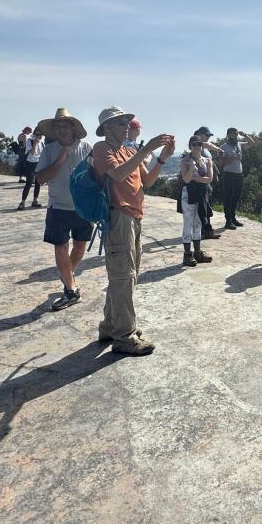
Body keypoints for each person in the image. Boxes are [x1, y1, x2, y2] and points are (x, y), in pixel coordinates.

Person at [93, 106, 174, 355]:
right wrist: (147, 149)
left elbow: (147, 181)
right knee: (123, 275)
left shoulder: (129, 150)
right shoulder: (101, 149)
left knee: (127, 273)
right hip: (118, 216)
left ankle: (110, 325)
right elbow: (117, 174)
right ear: (106, 127)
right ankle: (125, 337)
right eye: (120, 123)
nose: (127, 125)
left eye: (128, 122)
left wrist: (161, 158)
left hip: (134, 215)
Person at [33, 108, 93, 311]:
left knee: (79, 246)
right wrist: (60, 158)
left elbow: (96, 174)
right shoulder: (49, 150)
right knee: (61, 247)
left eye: (65, 125)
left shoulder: (86, 147)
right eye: (58, 126)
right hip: (57, 206)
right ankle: (71, 290)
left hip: (83, 207)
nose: (61, 129)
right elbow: (40, 179)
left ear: (73, 127)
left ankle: (67, 273)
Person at [179, 137, 215, 267]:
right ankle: (187, 254)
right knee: (188, 223)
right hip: (189, 192)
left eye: (199, 144)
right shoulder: (185, 161)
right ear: (190, 146)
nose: (197, 147)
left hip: (201, 193)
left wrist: (195, 177)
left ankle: (198, 252)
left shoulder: (207, 160)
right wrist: (192, 169)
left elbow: (209, 179)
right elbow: (187, 180)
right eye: (194, 144)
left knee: (198, 221)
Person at [218, 128, 252, 230]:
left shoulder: (239, 144)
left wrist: (245, 134)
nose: (236, 136)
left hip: (239, 174)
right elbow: (222, 163)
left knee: (236, 197)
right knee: (228, 198)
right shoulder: (223, 147)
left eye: (237, 134)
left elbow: (252, 143)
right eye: (234, 134)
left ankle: (233, 218)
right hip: (229, 174)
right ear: (228, 135)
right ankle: (228, 220)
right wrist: (233, 157)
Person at [193, 126, 222, 240]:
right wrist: (219, 150)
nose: (208, 137)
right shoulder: (197, 144)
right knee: (203, 207)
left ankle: (206, 229)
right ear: (200, 134)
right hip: (200, 182)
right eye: (207, 135)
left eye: (209, 135)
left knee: (206, 207)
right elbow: (209, 145)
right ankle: (204, 230)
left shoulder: (204, 147)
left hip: (206, 181)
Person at [17, 130, 44, 210]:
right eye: (38, 134)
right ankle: (22, 202)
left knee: (38, 183)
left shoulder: (42, 143)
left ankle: (35, 201)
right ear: (34, 134)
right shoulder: (30, 141)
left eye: (41, 134)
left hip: (38, 164)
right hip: (31, 163)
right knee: (28, 183)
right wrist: (35, 143)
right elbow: (32, 153)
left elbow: (42, 154)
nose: (39, 136)